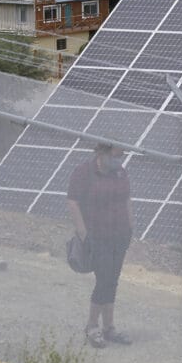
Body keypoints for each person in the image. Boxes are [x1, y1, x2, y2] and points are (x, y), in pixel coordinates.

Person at [67, 142, 133, 349]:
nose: (118, 160)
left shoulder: (120, 173)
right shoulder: (83, 172)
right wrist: (83, 232)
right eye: (115, 155)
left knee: (112, 280)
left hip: (119, 235)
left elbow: (127, 200)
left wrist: (130, 226)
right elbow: (73, 201)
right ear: (101, 153)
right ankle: (92, 326)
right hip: (97, 235)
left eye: (121, 156)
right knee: (103, 280)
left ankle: (109, 327)